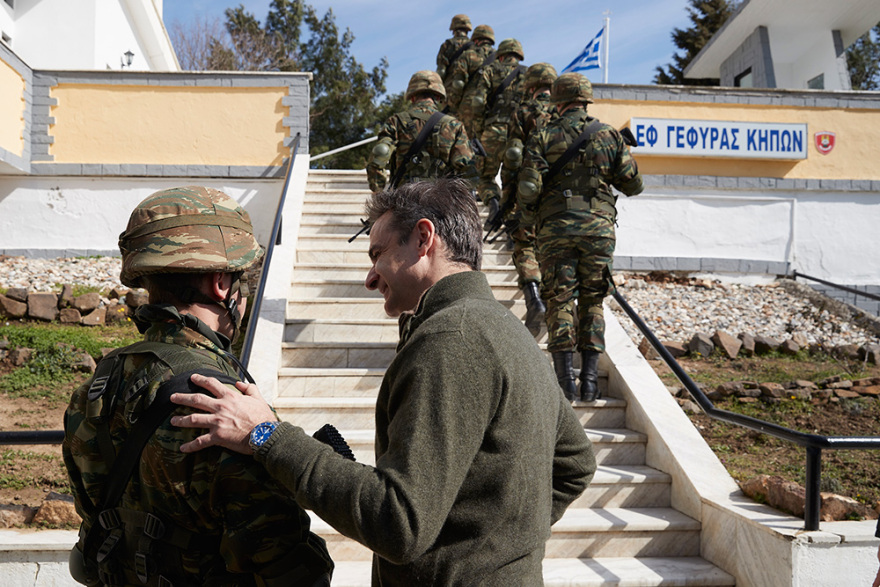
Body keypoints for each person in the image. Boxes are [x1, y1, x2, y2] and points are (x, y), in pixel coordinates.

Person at [169, 179, 597, 585]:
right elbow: (576, 464)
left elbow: (398, 524)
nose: (371, 277)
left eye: (378, 254)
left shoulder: (451, 339)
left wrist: (266, 435)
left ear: (424, 238)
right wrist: (497, 546)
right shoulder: (506, 328)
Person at [62, 186, 333, 586]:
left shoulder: (98, 383)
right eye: (240, 280)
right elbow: (286, 564)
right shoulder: (223, 404)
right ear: (222, 284)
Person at [517, 73, 644, 402]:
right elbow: (633, 184)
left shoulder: (543, 135)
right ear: (586, 99)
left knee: (559, 300)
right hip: (598, 231)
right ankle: (589, 381)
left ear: (558, 101)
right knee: (593, 301)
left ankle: (565, 383)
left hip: (556, 230)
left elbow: (528, 189)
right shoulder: (608, 135)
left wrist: (533, 220)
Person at [495, 62, 559, 338]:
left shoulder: (523, 113)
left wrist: (507, 200)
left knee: (524, 245)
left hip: (529, 189)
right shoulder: (566, 112)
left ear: (530, 87)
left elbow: (512, 158)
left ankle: (535, 299)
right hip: (560, 195)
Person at [366, 70, 478, 194]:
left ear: (412, 97)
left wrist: (378, 191)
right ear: (438, 97)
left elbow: (380, 153)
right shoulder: (454, 125)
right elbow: (467, 168)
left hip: (404, 198)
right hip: (441, 200)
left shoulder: (396, 121)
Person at [465, 38, 528, 211]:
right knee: (515, 181)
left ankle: (493, 203)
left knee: (484, 177)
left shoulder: (490, 71)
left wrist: (478, 132)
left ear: (500, 56)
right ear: (519, 56)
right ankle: (512, 228)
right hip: (517, 137)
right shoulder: (528, 75)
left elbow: (477, 103)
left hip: (492, 132)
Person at [443, 24, 495, 118]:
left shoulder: (468, 55)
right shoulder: (500, 58)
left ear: (475, 40)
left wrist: (452, 104)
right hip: (492, 107)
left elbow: (458, 83)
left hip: (468, 106)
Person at [435, 14, 471, 82]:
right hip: (471, 88)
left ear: (453, 28)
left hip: (451, 86)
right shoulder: (475, 46)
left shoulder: (447, 45)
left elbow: (441, 72)